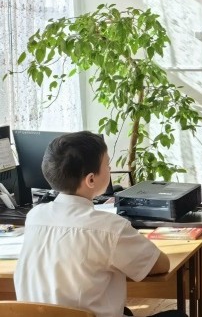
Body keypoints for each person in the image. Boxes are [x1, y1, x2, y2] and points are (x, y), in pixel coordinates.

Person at [13, 131, 187, 317]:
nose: (110, 169)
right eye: (108, 165)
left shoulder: (35, 216)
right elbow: (160, 265)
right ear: (91, 179)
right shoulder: (110, 228)